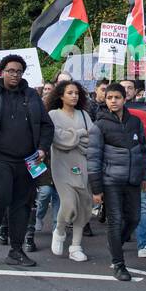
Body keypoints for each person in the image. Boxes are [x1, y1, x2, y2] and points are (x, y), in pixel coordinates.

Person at [0, 54, 54, 267]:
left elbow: (46, 125)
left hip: (28, 160)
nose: (15, 75)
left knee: (23, 205)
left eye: (18, 71)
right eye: (10, 71)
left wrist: (43, 148)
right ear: (1, 72)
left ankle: (16, 251)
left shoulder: (32, 96)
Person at [87, 82, 146, 281]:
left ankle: (115, 244)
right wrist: (96, 188)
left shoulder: (136, 122)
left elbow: (144, 150)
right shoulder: (100, 125)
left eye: (117, 97)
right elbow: (93, 158)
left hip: (133, 179)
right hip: (111, 180)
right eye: (109, 98)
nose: (113, 101)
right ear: (105, 100)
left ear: (125, 99)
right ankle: (119, 263)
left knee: (134, 218)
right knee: (115, 220)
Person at [46, 80, 94, 261]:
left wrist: (73, 137)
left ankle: (76, 246)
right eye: (70, 93)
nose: (74, 96)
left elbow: (92, 138)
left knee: (83, 204)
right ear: (61, 95)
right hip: (61, 165)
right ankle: (59, 230)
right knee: (69, 203)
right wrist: (79, 134)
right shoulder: (53, 115)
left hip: (82, 163)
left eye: (76, 93)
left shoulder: (83, 115)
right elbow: (58, 140)